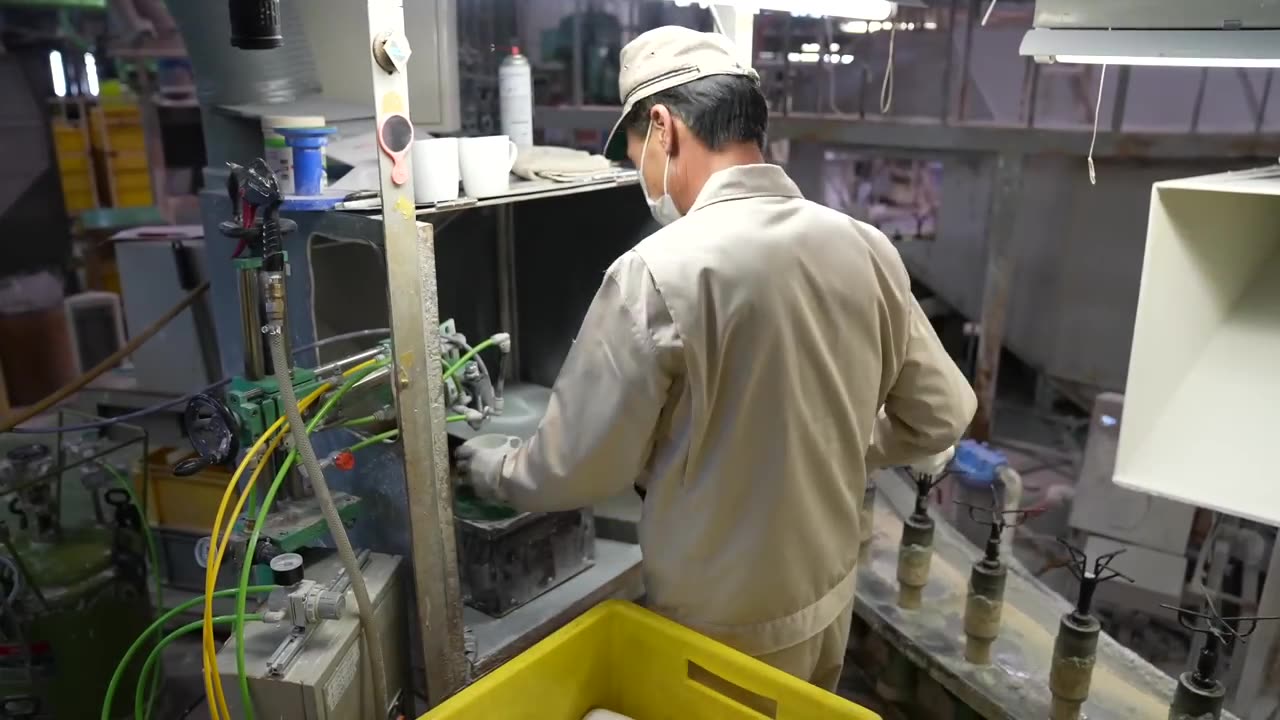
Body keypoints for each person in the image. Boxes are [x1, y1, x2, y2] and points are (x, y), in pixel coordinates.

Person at [456, 25, 976, 692]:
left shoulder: (658, 272)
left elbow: (577, 468)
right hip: (827, 601)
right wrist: (824, 439)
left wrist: (494, 470)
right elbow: (940, 416)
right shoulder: (865, 245)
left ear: (665, 128)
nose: (642, 168)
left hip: (717, 632)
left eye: (638, 148)